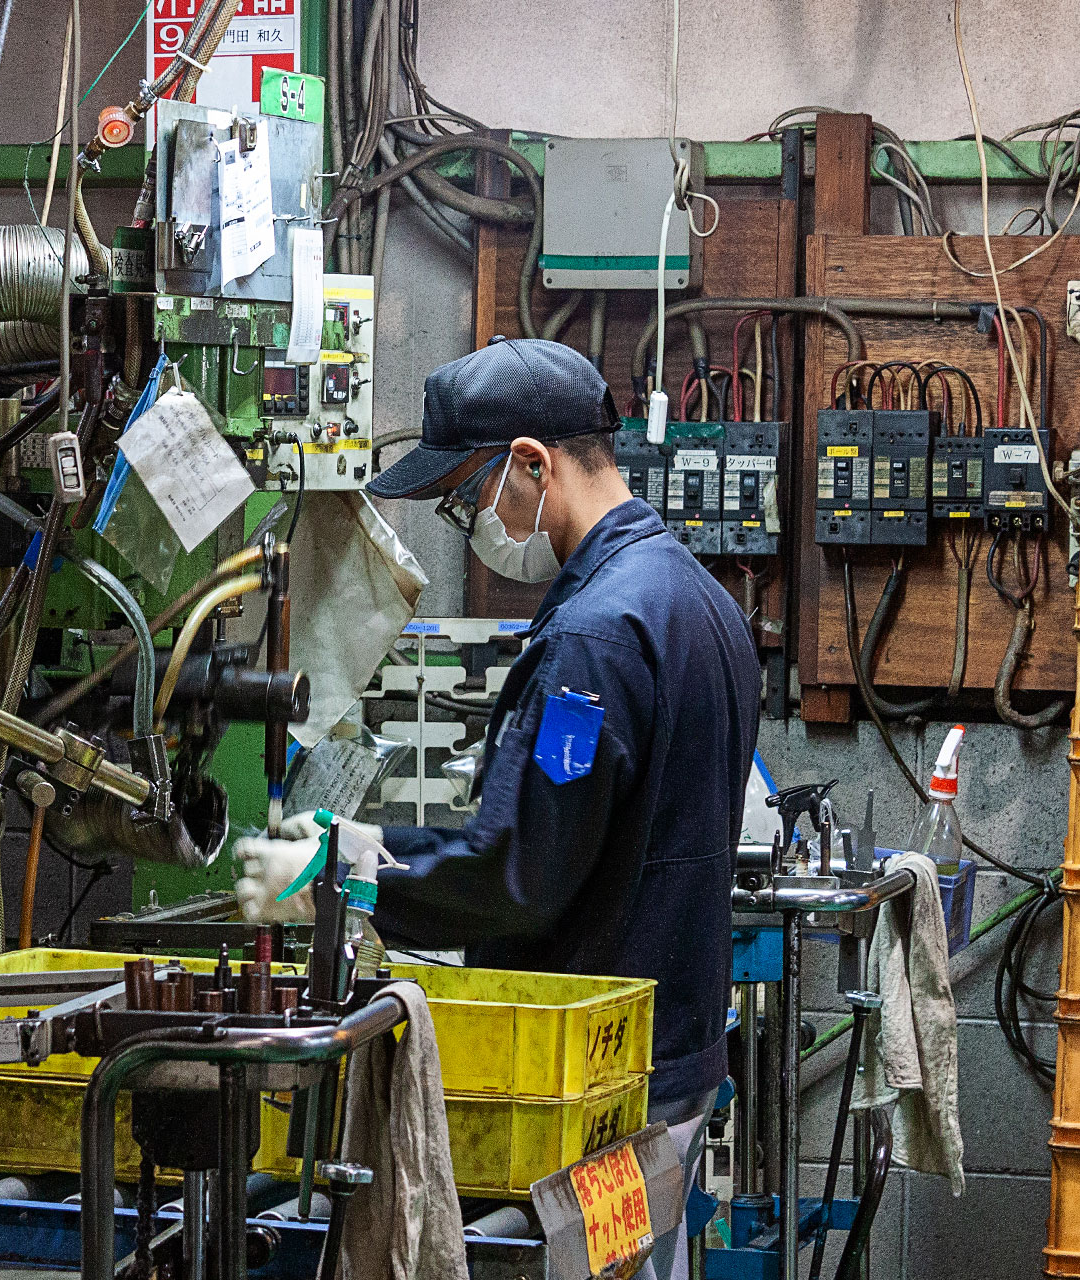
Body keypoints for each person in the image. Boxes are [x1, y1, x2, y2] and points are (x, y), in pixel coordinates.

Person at [235, 337, 760, 1280]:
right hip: (666, 1061)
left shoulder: (595, 640)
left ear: (531, 463)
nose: (470, 520)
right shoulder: (697, 598)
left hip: (593, 1086)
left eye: (468, 496)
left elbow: (522, 871)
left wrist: (341, 868)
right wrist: (373, 843)